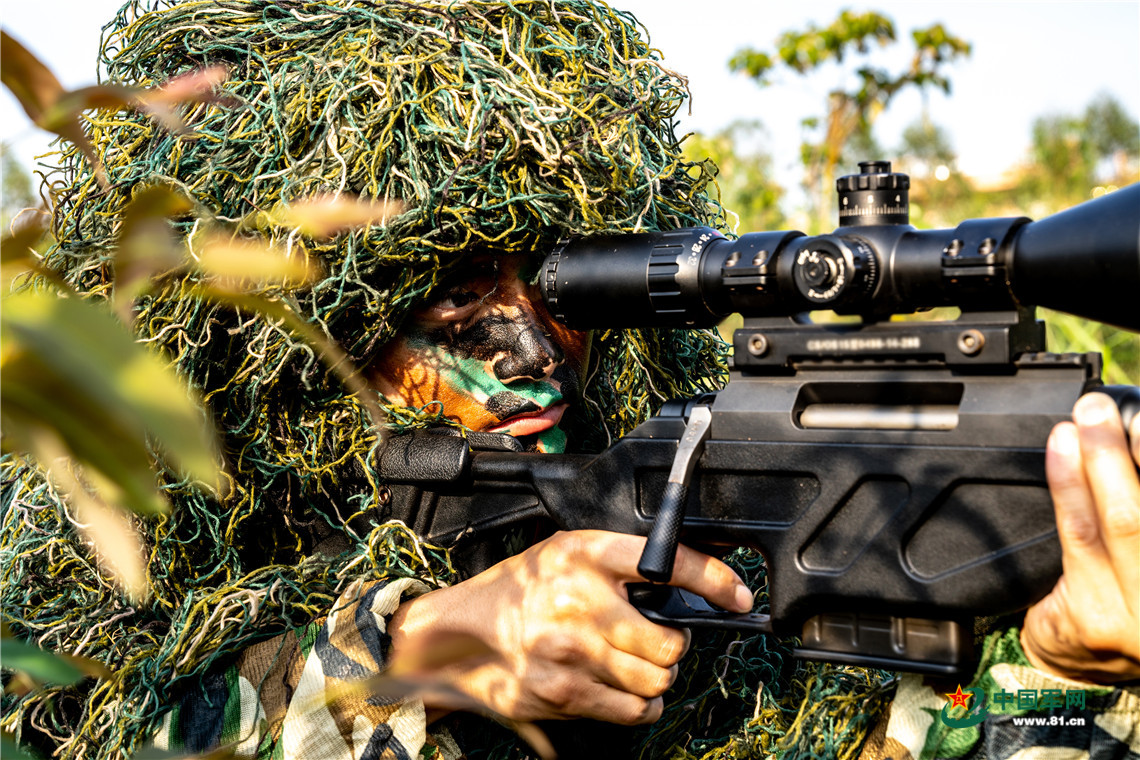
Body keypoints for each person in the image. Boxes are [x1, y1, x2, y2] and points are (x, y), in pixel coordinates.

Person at [1, 2, 1136, 760]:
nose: (535, 354)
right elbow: (77, 724)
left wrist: (1049, 677)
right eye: (450, 299)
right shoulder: (111, 531)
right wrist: (424, 647)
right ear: (289, 331)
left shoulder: (705, 548)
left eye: (559, 291)